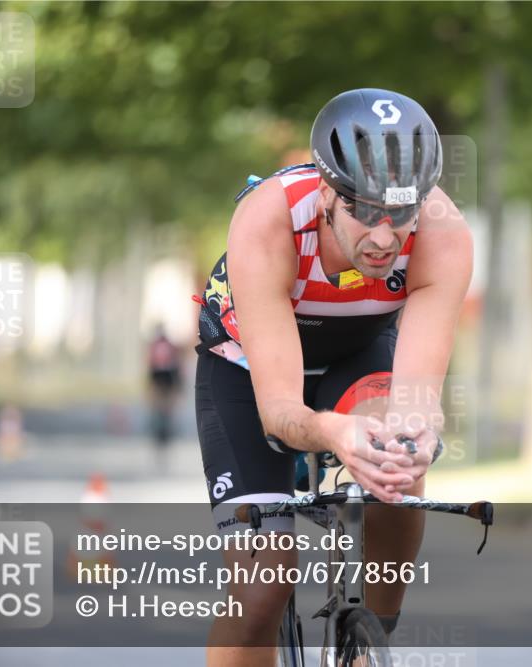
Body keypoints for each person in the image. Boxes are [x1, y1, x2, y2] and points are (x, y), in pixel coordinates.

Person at [194, 88, 472, 666]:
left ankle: (370, 638)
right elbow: (282, 413)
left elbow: (418, 399)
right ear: (326, 193)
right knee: (261, 592)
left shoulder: (444, 235)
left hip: (358, 350)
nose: (384, 236)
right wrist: (333, 434)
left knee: (396, 457)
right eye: (365, 210)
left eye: (401, 213)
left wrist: (417, 434)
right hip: (247, 367)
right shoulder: (268, 220)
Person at [147, 324, 182, 469]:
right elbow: (151, 364)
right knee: (160, 409)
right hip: (161, 377)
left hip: (166, 378)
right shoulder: (160, 345)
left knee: (165, 409)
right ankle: (160, 433)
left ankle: (164, 433)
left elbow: (174, 365)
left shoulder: (163, 345)